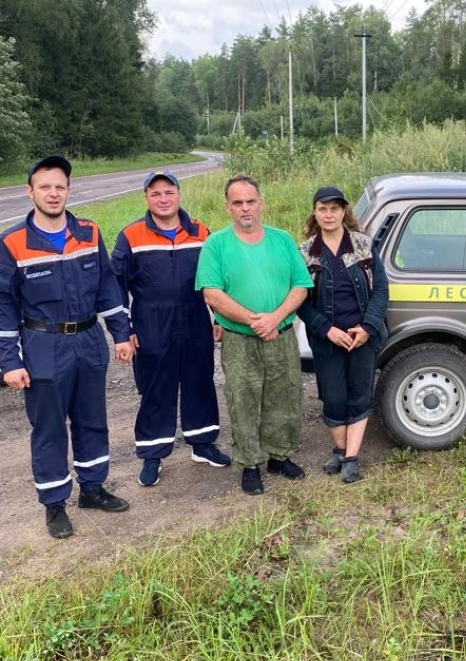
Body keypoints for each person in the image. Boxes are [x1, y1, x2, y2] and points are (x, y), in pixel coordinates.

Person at [0, 154, 133, 539]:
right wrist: (9, 361)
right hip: (43, 344)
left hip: (90, 341)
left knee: (93, 419)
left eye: (60, 186)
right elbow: (4, 307)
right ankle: (54, 503)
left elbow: (108, 286)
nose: (53, 193)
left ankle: (92, 489)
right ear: (30, 192)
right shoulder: (12, 243)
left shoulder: (89, 232)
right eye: (45, 186)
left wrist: (121, 334)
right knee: (49, 429)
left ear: (69, 191)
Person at [112, 169, 231, 488]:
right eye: (155, 194)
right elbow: (115, 286)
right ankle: (153, 454)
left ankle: (203, 443)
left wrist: (220, 317)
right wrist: (123, 331)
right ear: (146, 198)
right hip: (152, 322)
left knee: (200, 381)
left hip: (195, 318)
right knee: (155, 388)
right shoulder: (131, 236)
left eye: (169, 192)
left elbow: (220, 278)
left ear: (179, 194)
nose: (163, 199)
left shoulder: (202, 231)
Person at [195, 174, 312, 495]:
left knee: (284, 396)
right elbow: (211, 294)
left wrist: (274, 318)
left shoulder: (282, 240)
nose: (245, 208)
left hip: (282, 334)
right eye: (238, 203)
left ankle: (279, 456)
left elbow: (301, 285)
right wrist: (254, 321)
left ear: (261, 202)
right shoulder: (216, 244)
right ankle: (250, 463)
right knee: (243, 399)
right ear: (228, 207)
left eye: (250, 201)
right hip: (239, 340)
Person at [298, 186, 389, 483]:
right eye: (323, 209)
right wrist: (327, 330)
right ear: (315, 212)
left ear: (343, 211)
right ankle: (339, 448)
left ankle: (350, 458)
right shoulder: (306, 252)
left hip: (362, 336)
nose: (328, 214)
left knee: (359, 396)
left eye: (334, 208)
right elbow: (300, 302)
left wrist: (367, 327)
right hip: (328, 339)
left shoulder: (362, 245)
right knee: (333, 398)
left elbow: (381, 291)